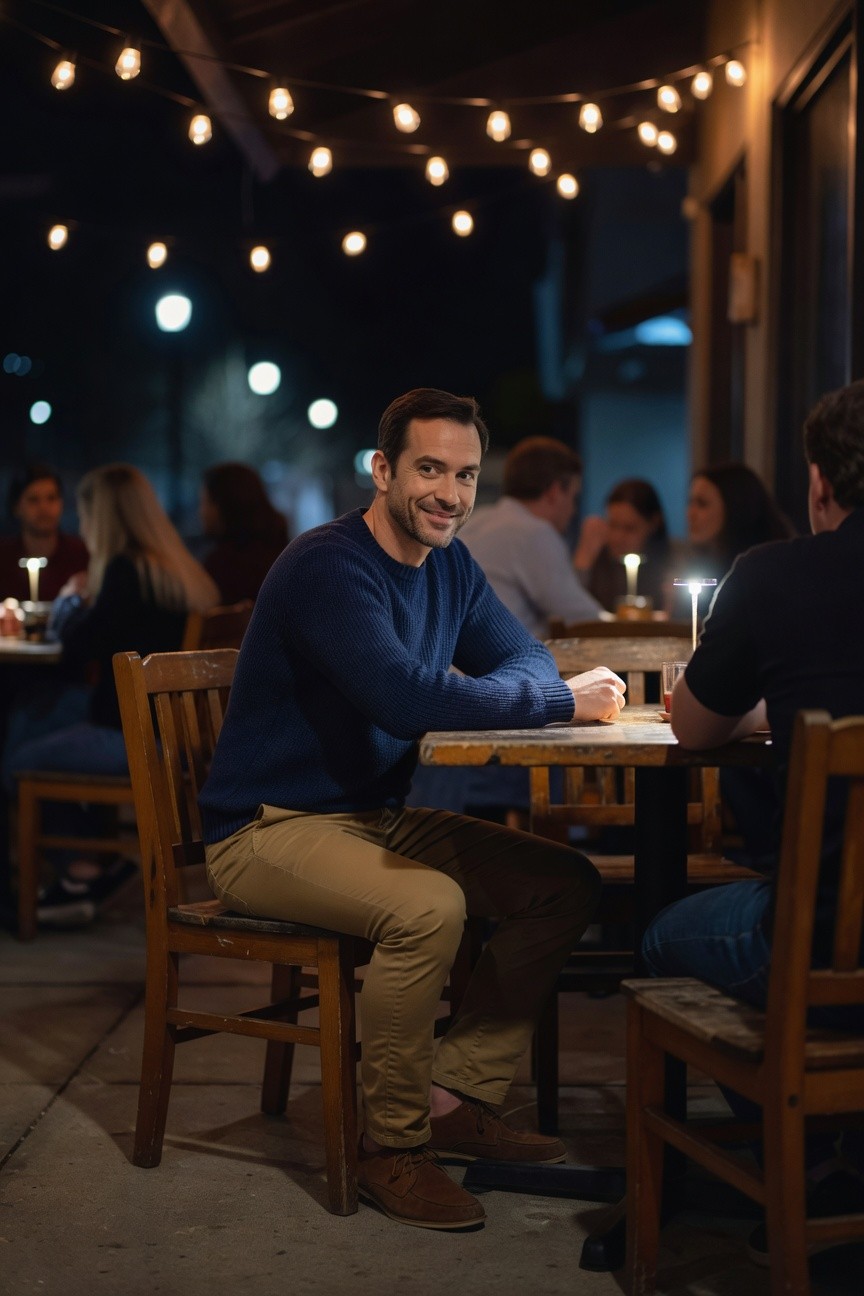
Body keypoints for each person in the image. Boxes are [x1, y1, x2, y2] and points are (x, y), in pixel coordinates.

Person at [199, 388, 626, 1231]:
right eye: (430, 469)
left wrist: (524, 689)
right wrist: (550, 702)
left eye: (465, 475)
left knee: (563, 883)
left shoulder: (453, 566)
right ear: (383, 469)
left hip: (371, 818)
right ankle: (390, 1147)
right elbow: (402, 697)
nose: (450, 494)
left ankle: (451, 1096)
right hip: (268, 828)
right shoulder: (329, 564)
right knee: (429, 907)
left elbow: (526, 655)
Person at [644, 379, 864, 1258]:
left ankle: (800, 1155)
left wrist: (759, 709)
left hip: (819, 945)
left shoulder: (773, 574)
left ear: (818, 484)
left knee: (662, 936)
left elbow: (693, 726)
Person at [3, 464, 220, 927]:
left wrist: (70, 601)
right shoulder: (172, 569)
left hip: (135, 736)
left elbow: (74, 654)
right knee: (31, 713)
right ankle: (86, 868)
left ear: (102, 516)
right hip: (169, 730)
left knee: (18, 758)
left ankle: (78, 871)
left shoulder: (124, 574)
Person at [457, 436, 604, 638]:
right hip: (503, 663)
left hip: (458, 662)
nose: (572, 510)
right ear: (554, 492)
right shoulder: (534, 532)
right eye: (573, 497)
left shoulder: (476, 521)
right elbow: (583, 616)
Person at [572, 478, 672, 613]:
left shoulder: (670, 566)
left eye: (629, 528)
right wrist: (584, 560)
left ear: (653, 523)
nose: (617, 537)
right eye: (613, 525)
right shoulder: (596, 559)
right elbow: (570, 609)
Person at [198, 462, 289, 604]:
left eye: (204, 502)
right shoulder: (286, 556)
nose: (201, 512)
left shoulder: (219, 569)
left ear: (223, 505)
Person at [0, 464, 88, 602]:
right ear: (16, 507)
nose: (44, 508)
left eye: (51, 498)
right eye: (33, 500)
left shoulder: (81, 555)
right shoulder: (4, 558)